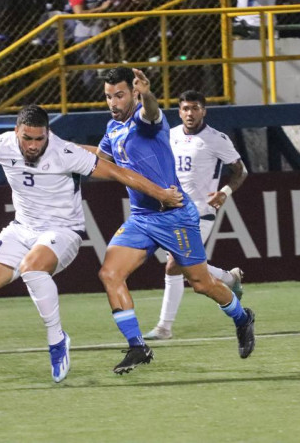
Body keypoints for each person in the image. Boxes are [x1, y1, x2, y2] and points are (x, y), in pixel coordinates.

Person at [0, 104, 183, 383]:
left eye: (39, 138)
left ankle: (57, 339)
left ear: (48, 134)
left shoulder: (65, 153)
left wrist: (160, 194)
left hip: (63, 232)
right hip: (21, 229)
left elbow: (117, 173)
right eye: (27, 138)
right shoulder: (3, 145)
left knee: (32, 269)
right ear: (16, 133)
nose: (33, 145)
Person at [92, 67, 256, 374]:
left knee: (202, 284)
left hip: (175, 217)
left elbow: (152, 111)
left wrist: (150, 94)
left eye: (120, 95)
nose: (113, 102)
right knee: (109, 273)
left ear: (135, 93)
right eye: (108, 96)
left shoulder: (146, 119)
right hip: (141, 218)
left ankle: (242, 318)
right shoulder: (111, 128)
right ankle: (138, 347)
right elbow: (100, 159)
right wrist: (60, 151)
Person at [143, 90, 249, 341]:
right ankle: (228, 277)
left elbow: (240, 172)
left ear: (204, 111)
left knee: (174, 264)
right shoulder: (170, 136)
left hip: (201, 212)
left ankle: (164, 327)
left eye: (195, 108)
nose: (190, 113)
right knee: (190, 268)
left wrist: (224, 192)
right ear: (179, 112)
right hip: (171, 212)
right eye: (185, 109)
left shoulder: (216, 139)